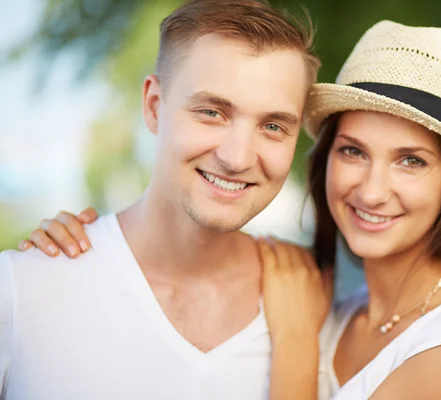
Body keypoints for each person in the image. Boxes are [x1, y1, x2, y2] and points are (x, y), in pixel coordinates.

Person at [18, 21, 441, 400]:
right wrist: (84, 249)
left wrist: (293, 341)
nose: (373, 191)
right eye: (353, 151)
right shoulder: (331, 305)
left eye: (411, 161)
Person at [0, 1, 334, 399]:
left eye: (273, 125)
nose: (237, 157)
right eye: (212, 112)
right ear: (154, 106)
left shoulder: (315, 303)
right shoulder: (21, 291)